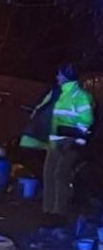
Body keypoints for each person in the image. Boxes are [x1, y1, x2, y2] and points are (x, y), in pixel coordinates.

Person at [35, 64, 94, 221]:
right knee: (49, 174)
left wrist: (75, 141)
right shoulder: (56, 94)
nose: (57, 77)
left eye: (59, 74)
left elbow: (86, 121)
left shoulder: (80, 97)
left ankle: (58, 213)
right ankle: (48, 212)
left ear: (66, 77)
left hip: (70, 142)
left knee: (60, 175)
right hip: (55, 141)